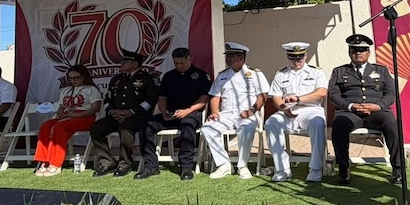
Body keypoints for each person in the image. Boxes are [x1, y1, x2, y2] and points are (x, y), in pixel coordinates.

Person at [328, 34, 400, 185]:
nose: (358, 53)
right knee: (339, 124)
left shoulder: (381, 70)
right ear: (349, 53)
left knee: (392, 124)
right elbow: (333, 94)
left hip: (377, 112)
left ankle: (398, 169)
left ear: (368, 52)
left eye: (362, 50)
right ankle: (343, 169)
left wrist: (377, 106)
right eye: (354, 50)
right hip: (350, 112)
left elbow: (391, 93)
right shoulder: (339, 71)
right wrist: (350, 106)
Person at [135, 47, 212, 181]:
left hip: (191, 113)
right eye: (176, 63)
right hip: (172, 114)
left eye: (182, 63)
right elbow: (162, 98)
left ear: (189, 59)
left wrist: (187, 111)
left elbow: (204, 99)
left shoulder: (201, 75)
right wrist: (164, 112)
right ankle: (151, 165)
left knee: (187, 125)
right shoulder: (169, 76)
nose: (179, 66)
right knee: (146, 125)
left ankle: (186, 167)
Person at [201, 43, 269, 180]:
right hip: (226, 114)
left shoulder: (255, 74)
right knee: (207, 128)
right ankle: (224, 164)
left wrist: (251, 110)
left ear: (241, 57)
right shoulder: (222, 75)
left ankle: (242, 165)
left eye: (231, 56)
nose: (228, 59)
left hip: (246, 114)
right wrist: (214, 112)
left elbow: (263, 96)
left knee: (246, 129)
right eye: (227, 56)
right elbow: (215, 96)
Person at [265, 42, 328, 183]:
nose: (296, 61)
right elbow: (275, 96)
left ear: (305, 56)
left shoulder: (316, 72)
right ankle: (282, 169)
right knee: (271, 123)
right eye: (292, 58)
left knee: (318, 123)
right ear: (288, 57)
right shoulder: (281, 74)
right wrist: (283, 108)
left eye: (299, 57)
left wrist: (299, 99)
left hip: (310, 110)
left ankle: (315, 169)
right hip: (288, 111)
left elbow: (321, 93)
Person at [90, 49, 158, 177]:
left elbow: (151, 101)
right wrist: (111, 111)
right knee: (96, 127)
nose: (121, 63)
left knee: (126, 128)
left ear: (135, 64)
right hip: (116, 115)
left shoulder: (147, 78)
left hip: (138, 116)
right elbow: (107, 99)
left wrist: (132, 111)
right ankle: (107, 162)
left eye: (125, 61)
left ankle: (124, 163)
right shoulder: (116, 79)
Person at [33, 64, 102, 176]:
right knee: (45, 126)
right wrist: (60, 113)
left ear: (84, 76)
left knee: (60, 127)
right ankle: (44, 160)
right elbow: (61, 106)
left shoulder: (91, 89)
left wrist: (77, 115)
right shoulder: (66, 90)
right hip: (67, 116)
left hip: (85, 117)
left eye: (76, 78)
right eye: (70, 78)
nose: (73, 80)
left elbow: (95, 108)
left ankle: (55, 163)